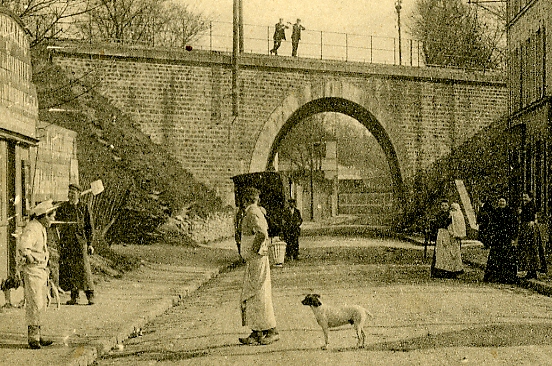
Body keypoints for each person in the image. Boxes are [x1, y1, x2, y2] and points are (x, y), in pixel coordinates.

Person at [238, 187, 279, 345]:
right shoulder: (255, 211)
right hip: (255, 259)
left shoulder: (252, 212)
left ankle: (267, 331)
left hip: (256, 259)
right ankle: (259, 331)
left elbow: (261, 233)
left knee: (257, 294)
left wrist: (253, 250)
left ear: (245, 200)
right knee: (255, 294)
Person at [16, 200, 57, 349]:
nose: (53, 219)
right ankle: (33, 338)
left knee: (41, 303)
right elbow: (23, 246)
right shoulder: (32, 228)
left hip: (40, 271)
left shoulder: (41, 228)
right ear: (44, 216)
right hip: (33, 270)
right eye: (51, 216)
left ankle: (38, 335)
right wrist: (30, 256)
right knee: (34, 303)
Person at [57, 183, 95, 305]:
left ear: (78, 194)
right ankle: (74, 296)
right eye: (69, 193)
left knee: (84, 269)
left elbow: (89, 226)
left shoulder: (84, 207)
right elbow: (57, 222)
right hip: (67, 242)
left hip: (80, 242)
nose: (70, 195)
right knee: (70, 269)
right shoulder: (63, 208)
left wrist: (90, 243)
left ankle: (90, 295)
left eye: (73, 193)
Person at [483, 197, 519, 284]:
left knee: (508, 257)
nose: (501, 203)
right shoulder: (495, 212)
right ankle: (494, 277)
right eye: (500, 201)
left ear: (506, 202)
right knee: (495, 257)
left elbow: (514, 226)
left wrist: (513, 238)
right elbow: (491, 224)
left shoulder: (510, 212)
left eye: (503, 201)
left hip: (507, 238)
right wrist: (491, 234)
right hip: (497, 238)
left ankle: (508, 277)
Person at [430, 200, 464, 278]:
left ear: (448, 206)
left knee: (450, 253)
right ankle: (439, 272)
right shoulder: (439, 215)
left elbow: (456, 224)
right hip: (441, 234)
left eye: (445, 205)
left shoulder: (452, 215)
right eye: (442, 205)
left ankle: (451, 272)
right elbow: (438, 224)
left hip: (449, 235)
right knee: (440, 253)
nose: (444, 207)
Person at [517, 192, 545, 279]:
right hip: (526, 229)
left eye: (526, 197)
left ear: (531, 198)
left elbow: (531, 218)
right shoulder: (526, 206)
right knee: (528, 250)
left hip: (529, 231)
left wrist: (521, 213)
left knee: (530, 250)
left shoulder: (530, 206)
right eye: (523, 197)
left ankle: (532, 271)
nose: (524, 199)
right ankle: (530, 271)